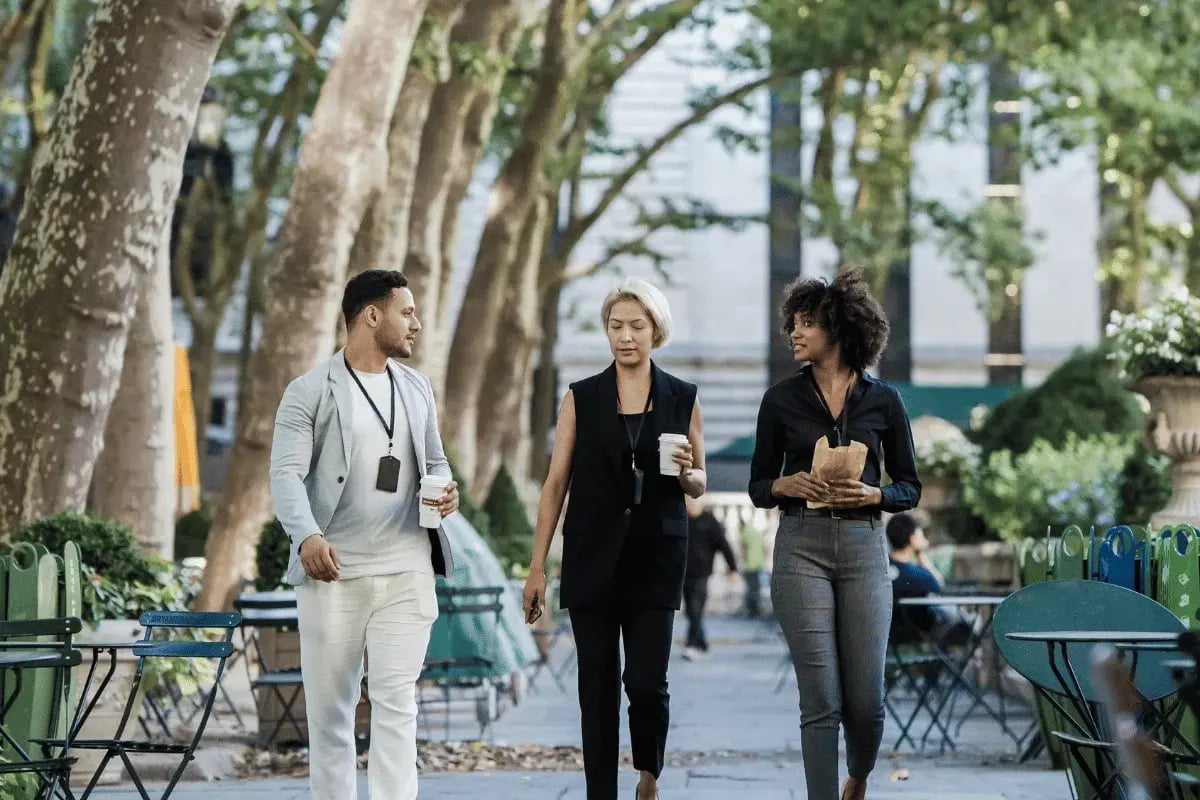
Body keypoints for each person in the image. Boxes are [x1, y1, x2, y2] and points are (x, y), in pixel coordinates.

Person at [270, 269, 460, 800]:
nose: (416, 324)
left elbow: (436, 460)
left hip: (406, 569)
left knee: (398, 704)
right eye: (407, 312)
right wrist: (306, 537)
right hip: (334, 573)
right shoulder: (308, 391)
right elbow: (284, 474)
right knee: (331, 714)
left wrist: (447, 492)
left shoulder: (417, 386)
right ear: (372, 316)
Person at [523, 277, 707, 800]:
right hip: (591, 558)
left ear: (656, 331)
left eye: (637, 326)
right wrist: (538, 567)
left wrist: (690, 473)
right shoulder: (580, 398)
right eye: (616, 325)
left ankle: (649, 772)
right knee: (596, 690)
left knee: (647, 685)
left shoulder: (683, 397)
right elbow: (556, 482)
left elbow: (698, 484)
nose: (625, 336)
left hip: (657, 557)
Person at [748, 268, 920, 800]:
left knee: (866, 703)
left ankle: (860, 776)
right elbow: (757, 485)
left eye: (806, 324)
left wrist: (876, 495)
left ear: (839, 328)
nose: (794, 334)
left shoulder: (884, 401)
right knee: (820, 698)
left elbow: (910, 486)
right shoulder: (780, 400)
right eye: (792, 324)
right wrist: (783, 483)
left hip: (866, 547)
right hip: (801, 546)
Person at [887, 513, 972, 647]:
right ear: (912, 539)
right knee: (967, 621)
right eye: (920, 535)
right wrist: (920, 554)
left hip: (889, 637)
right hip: (918, 637)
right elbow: (939, 584)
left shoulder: (882, 571)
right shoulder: (919, 575)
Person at [682, 496, 737, 660]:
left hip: (702, 573)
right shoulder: (683, 520)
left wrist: (732, 568)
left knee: (696, 608)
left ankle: (692, 645)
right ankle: (702, 645)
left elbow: (724, 545)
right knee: (691, 611)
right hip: (683, 573)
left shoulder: (709, 522)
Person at [738, 508, 767, 618]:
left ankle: (752, 611)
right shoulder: (756, 531)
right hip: (759, 563)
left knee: (750, 589)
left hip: (749, 565)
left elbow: (744, 549)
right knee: (756, 588)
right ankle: (757, 610)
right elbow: (764, 548)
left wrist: (742, 562)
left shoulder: (744, 532)